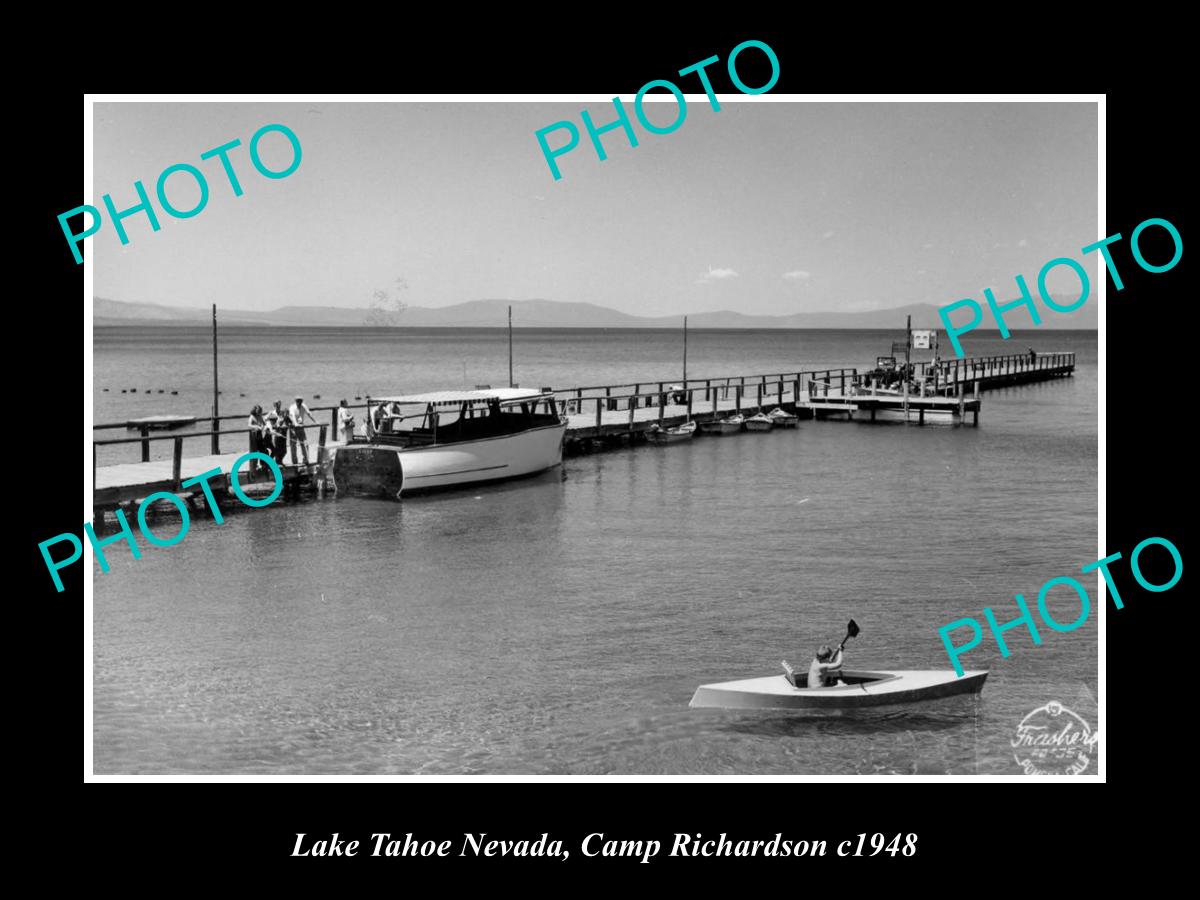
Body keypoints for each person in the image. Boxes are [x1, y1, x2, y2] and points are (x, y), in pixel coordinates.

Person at [288, 396, 318, 464]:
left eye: (301, 401)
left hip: (301, 427)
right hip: (293, 428)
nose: (299, 402)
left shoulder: (303, 406)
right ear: (295, 401)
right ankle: (295, 462)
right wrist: (295, 423)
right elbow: (292, 417)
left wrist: (315, 421)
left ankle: (305, 460)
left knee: (305, 443)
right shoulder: (292, 407)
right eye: (298, 401)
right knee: (293, 445)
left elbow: (309, 413)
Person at [246, 405, 266, 474]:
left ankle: (262, 465)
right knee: (253, 451)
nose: (259, 412)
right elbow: (249, 425)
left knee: (262, 450)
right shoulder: (252, 416)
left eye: (260, 411)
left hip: (259, 434)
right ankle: (253, 468)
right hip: (253, 435)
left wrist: (262, 426)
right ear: (255, 410)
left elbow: (264, 423)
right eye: (258, 411)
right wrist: (256, 426)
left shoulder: (260, 416)